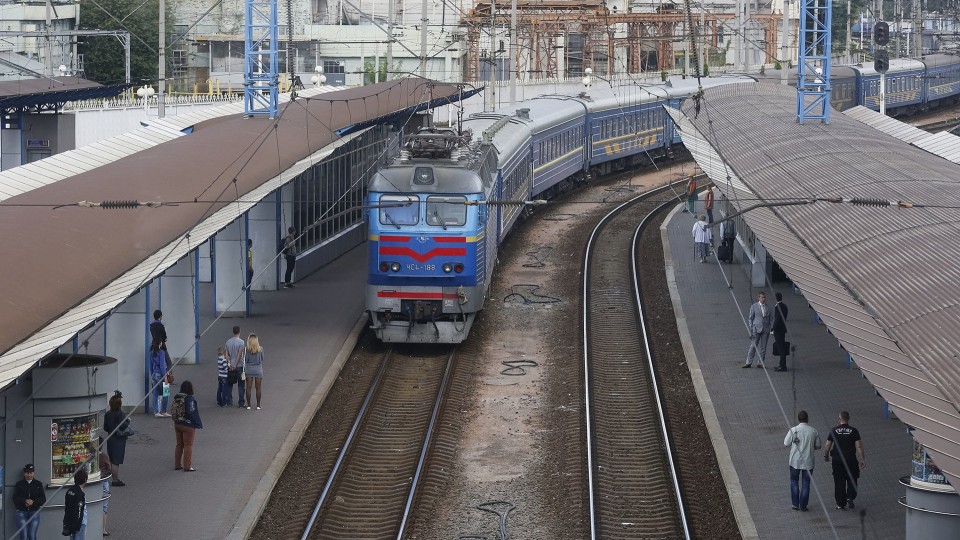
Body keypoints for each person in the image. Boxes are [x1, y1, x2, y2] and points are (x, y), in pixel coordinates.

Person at [824, 411, 866, 510]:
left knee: (839, 481)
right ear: (848, 419)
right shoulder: (854, 431)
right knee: (852, 478)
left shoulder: (834, 430)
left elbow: (827, 444)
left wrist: (826, 455)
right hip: (850, 459)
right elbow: (859, 446)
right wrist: (862, 459)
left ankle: (840, 503)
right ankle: (850, 496)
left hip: (837, 460)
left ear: (839, 419)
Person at [784, 410, 821, 511]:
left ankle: (795, 504)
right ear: (807, 419)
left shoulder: (793, 430)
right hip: (808, 461)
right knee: (806, 483)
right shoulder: (814, 431)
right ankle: (803, 505)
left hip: (794, 461)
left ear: (798, 419)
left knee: (794, 481)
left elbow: (786, 443)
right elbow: (818, 446)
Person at [173, 380, 203, 472]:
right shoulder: (189, 399)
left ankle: (177, 465)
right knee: (188, 445)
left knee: (179, 445)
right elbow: (191, 412)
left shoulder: (177, 397)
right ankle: (187, 466)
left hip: (177, 423)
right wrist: (197, 423)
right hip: (188, 425)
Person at [102, 392, 129, 486]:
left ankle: (114, 478)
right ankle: (115, 480)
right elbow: (123, 426)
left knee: (112, 459)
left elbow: (105, 428)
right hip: (118, 439)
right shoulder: (120, 414)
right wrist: (128, 421)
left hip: (110, 438)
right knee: (116, 461)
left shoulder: (108, 414)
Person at [13, 463, 46, 540]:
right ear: (24, 473)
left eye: (31, 473)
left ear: (34, 473)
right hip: (21, 512)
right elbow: (15, 498)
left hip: (34, 512)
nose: (29, 475)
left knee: (32, 536)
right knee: (23, 537)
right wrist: (25, 500)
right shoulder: (19, 484)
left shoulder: (38, 484)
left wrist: (33, 501)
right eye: (27, 473)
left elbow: (43, 499)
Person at [743, 291, 773, 368]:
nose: (764, 299)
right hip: (756, 329)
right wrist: (752, 328)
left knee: (763, 347)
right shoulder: (754, 307)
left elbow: (771, 319)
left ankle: (760, 363)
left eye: (764, 297)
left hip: (765, 330)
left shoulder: (769, 307)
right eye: (762, 297)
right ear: (758, 298)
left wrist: (770, 328)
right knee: (753, 346)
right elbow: (750, 318)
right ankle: (748, 362)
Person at [62, 468, 87, 540]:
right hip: (79, 523)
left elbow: (67, 507)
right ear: (85, 480)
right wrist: (77, 526)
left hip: (69, 521)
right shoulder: (80, 494)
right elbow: (79, 510)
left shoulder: (69, 491)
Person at [150, 338, 172, 416]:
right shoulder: (161, 352)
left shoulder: (151, 352)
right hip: (161, 375)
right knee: (166, 393)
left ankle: (156, 412)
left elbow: (151, 366)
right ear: (160, 344)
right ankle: (164, 411)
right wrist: (165, 377)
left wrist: (152, 375)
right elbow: (162, 366)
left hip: (154, 375)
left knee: (155, 394)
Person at [225, 326, 246, 408]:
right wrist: (236, 365)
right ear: (239, 331)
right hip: (239, 365)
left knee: (230, 384)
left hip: (230, 366)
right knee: (241, 385)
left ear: (233, 332)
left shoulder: (228, 342)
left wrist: (230, 364)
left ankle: (229, 402)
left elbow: (226, 355)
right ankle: (241, 403)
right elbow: (240, 355)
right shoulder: (241, 342)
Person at [244, 334, 265, 410]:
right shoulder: (261, 349)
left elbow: (245, 360)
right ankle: (258, 405)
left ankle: (248, 405)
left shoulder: (247, 349)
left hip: (249, 370)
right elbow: (262, 358)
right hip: (258, 370)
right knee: (258, 388)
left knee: (248, 388)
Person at [772, 292, 790, 372]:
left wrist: (773, 329)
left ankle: (782, 366)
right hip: (783, 329)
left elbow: (777, 320)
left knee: (781, 348)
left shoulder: (777, 307)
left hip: (778, 331)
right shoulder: (784, 306)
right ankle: (782, 365)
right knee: (782, 346)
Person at [99, 440, 111, 536]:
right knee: (104, 506)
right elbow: (109, 468)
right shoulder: (103, 456)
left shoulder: (90, 456)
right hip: (103, 482)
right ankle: (103, 529)